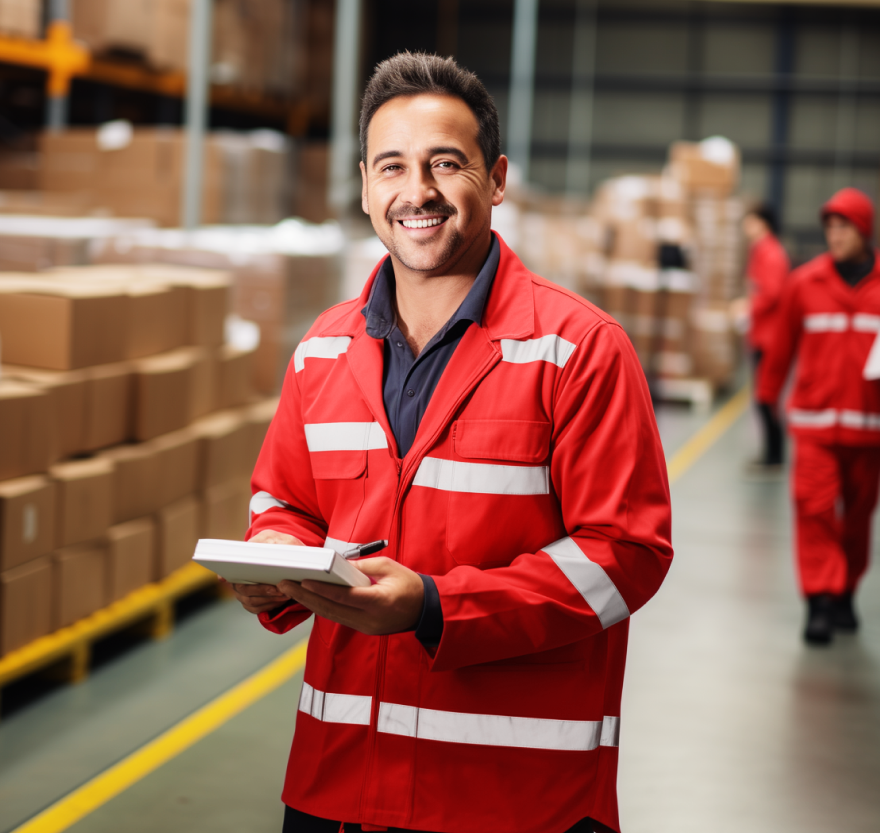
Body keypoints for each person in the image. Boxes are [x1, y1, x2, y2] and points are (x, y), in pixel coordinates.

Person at [232, 52, 673, 833]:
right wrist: (273, 565)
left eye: (447, 164)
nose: (418, 192)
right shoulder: (323, 350)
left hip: (512, 796)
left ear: (496, 179)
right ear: (366, 183)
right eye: (393, 166)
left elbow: (626, 552)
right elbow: (284, 500)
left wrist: (437, 607)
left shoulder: (578, 349)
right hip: (338, 788)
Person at [758, 187, 880, 645]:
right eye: (829, 226)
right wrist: (768, 393)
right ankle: (819, 602)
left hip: (870, 430)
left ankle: (846, 590)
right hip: (814, 426)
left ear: (864, 230)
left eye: (844, 226)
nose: (834, 234)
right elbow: (781, 345)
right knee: (815, 512)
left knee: (858, 518)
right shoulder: (804, 284)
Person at [741, 203, 789, 470]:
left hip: (770, 337)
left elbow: (771, 293)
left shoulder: (771, 253)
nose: (745, 227)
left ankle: (774, 457)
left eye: (749, 221)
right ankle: (770, 454)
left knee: (766, 396)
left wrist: (746, 306)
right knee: (762, 396)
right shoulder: (760, 250)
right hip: (760, 333)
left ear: (761, 223)